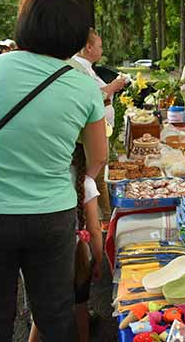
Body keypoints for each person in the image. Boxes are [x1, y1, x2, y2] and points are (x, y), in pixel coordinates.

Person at [0, 0, 107, 341]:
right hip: (51, 214)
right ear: (73, 37)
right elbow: (97, 157)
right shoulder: (84, 84)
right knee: (55, 314)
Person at [28, 144, 103, 342]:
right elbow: (95, 230)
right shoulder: (86, 183)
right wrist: (98, 260)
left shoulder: (40, 182)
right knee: (81, 305)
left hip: (43, 251)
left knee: (44, 305)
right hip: (78, 253)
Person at [71, 28, 127, 224]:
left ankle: (103, 217)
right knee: (96, 175)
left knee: (99, 175)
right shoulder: (78, 68)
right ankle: (102, 219)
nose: (102, 50)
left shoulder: (86, 67)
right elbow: (93, 96)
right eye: (100, 46)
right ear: (88, 47)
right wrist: (114, 86)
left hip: (101, 127)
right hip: (93, 130)